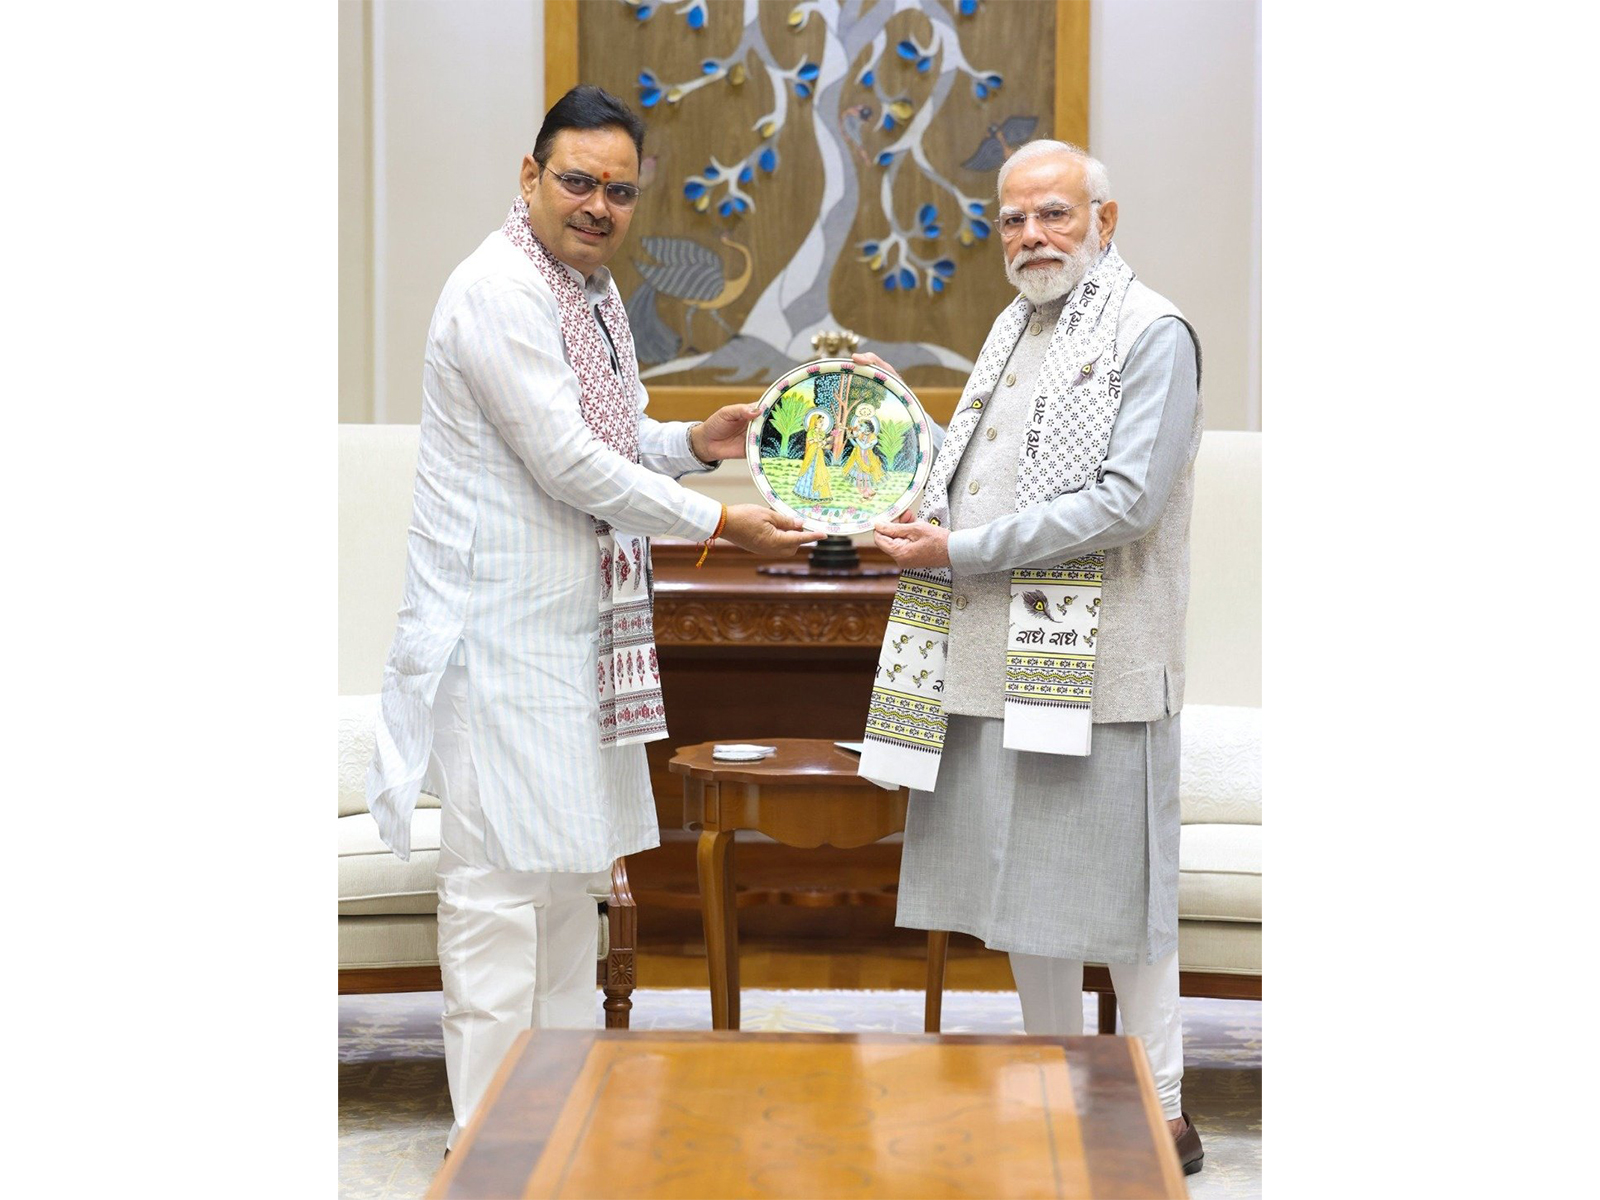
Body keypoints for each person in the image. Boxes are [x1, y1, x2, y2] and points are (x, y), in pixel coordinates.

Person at [365, 85, 818, 1151]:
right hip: (500, 638)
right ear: (529, 178)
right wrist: (723, 518)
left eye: (618, 190)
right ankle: (485, 1145)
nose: (598, 206)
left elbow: (604, 439)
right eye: (577, 182)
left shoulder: (591, 294)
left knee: (573, 885)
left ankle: (558, 1126)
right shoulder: (497, 291)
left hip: (577, 638)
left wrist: (689, 443)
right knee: (497, 899)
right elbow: (564, 461)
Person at [855, 139, 1206, 1175]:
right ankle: (1055, 1075)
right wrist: (895, 414)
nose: (1029, 237)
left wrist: (953, 551)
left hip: (1103, 677)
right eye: (1011, 220)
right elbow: (983, 480)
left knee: (1124, 904)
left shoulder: (1152, 333)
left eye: (1053, 214)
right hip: (995, 664)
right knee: (1027, 891)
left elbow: (1122, 503)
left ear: (1106, 221)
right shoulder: (1015, 328)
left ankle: (1163, 1106)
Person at [792, 409, 835, 501]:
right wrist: (821, 441)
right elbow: (811, 442)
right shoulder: (811, 432)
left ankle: (820, 495)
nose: (822, 424)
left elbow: (823, 445)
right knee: (810, 472)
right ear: (814, 422)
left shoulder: (822, 433)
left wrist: (825, 442)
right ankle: (805, 493)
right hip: (812, 455)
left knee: (819, 472)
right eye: (820, 422)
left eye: (822, 422)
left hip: (819, 455)